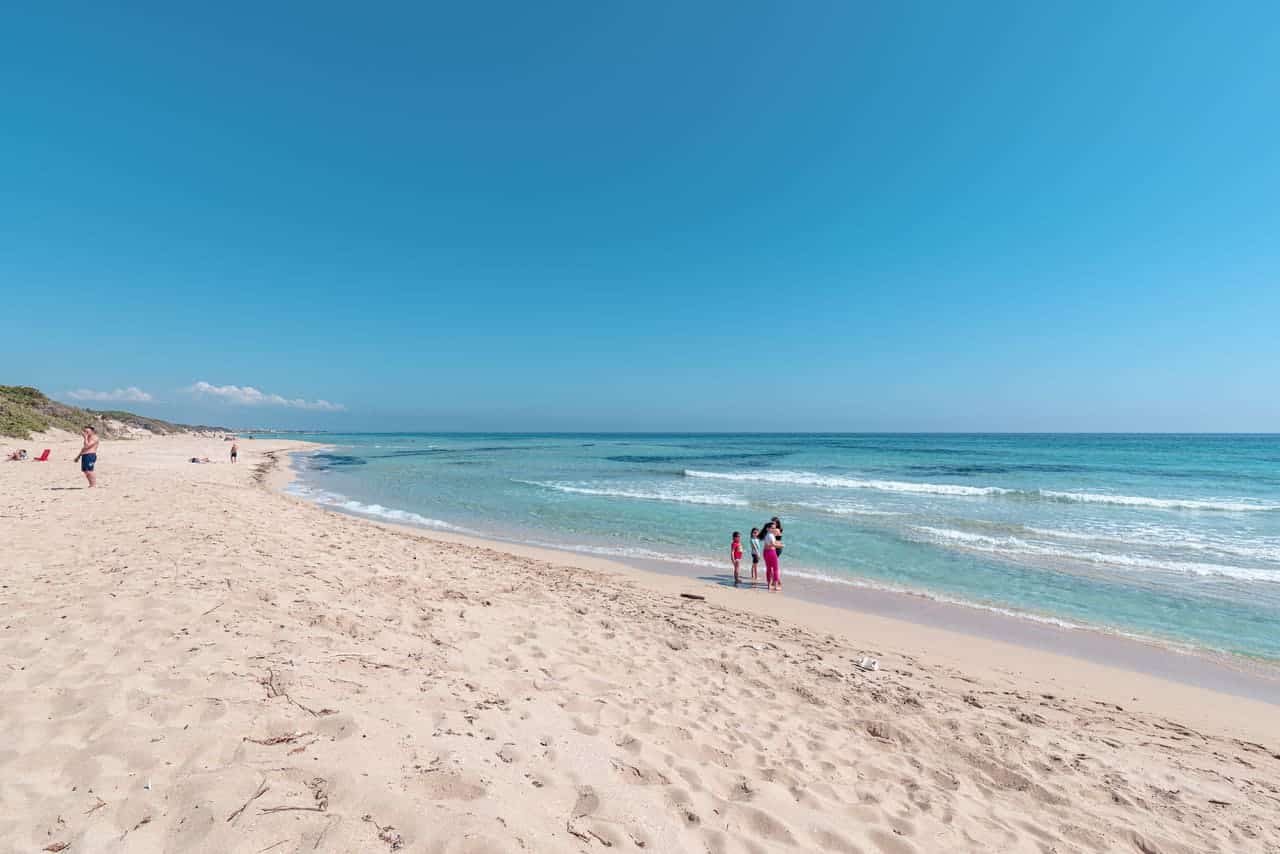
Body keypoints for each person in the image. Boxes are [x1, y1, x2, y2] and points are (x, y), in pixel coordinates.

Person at [762, 521, 781, 592]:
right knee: (775, 569)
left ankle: (769, 586)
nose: (774, 529)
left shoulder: (767, 535)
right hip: (771, 552)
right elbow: (773, 544)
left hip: (765, 552)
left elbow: (768, 544)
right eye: (772, 528)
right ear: (768, 529)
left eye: (774, 528)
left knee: (768, 569)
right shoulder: (771, 535)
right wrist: (781, 545)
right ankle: (775, 586)